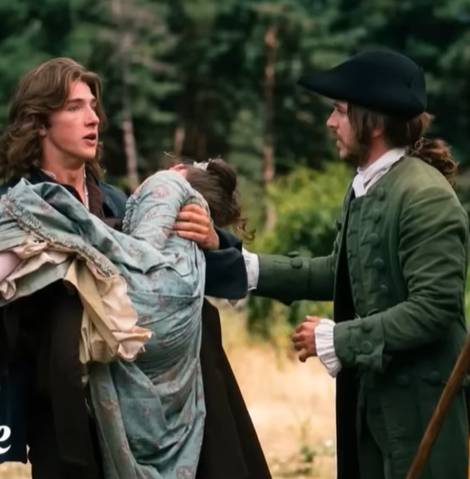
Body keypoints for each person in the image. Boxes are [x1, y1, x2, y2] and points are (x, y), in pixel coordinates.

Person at [178, 50, 470, 479]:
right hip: (373, 406)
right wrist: (234, 260)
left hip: (422, 412)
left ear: (372, 123)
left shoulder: (424, 196)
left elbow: (434, 308)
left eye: (339, 111)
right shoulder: (367, 187)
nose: (331, 123)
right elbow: (341, 272)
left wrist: (339, 338)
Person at [0, 58, 271, 479]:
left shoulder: (117, 203)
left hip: (145, 407)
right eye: (74, 107)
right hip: (63, 407)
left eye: (93, 107)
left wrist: (213, 241)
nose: (93, 119)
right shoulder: (16, 209)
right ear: (39, 123)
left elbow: (185, 282)